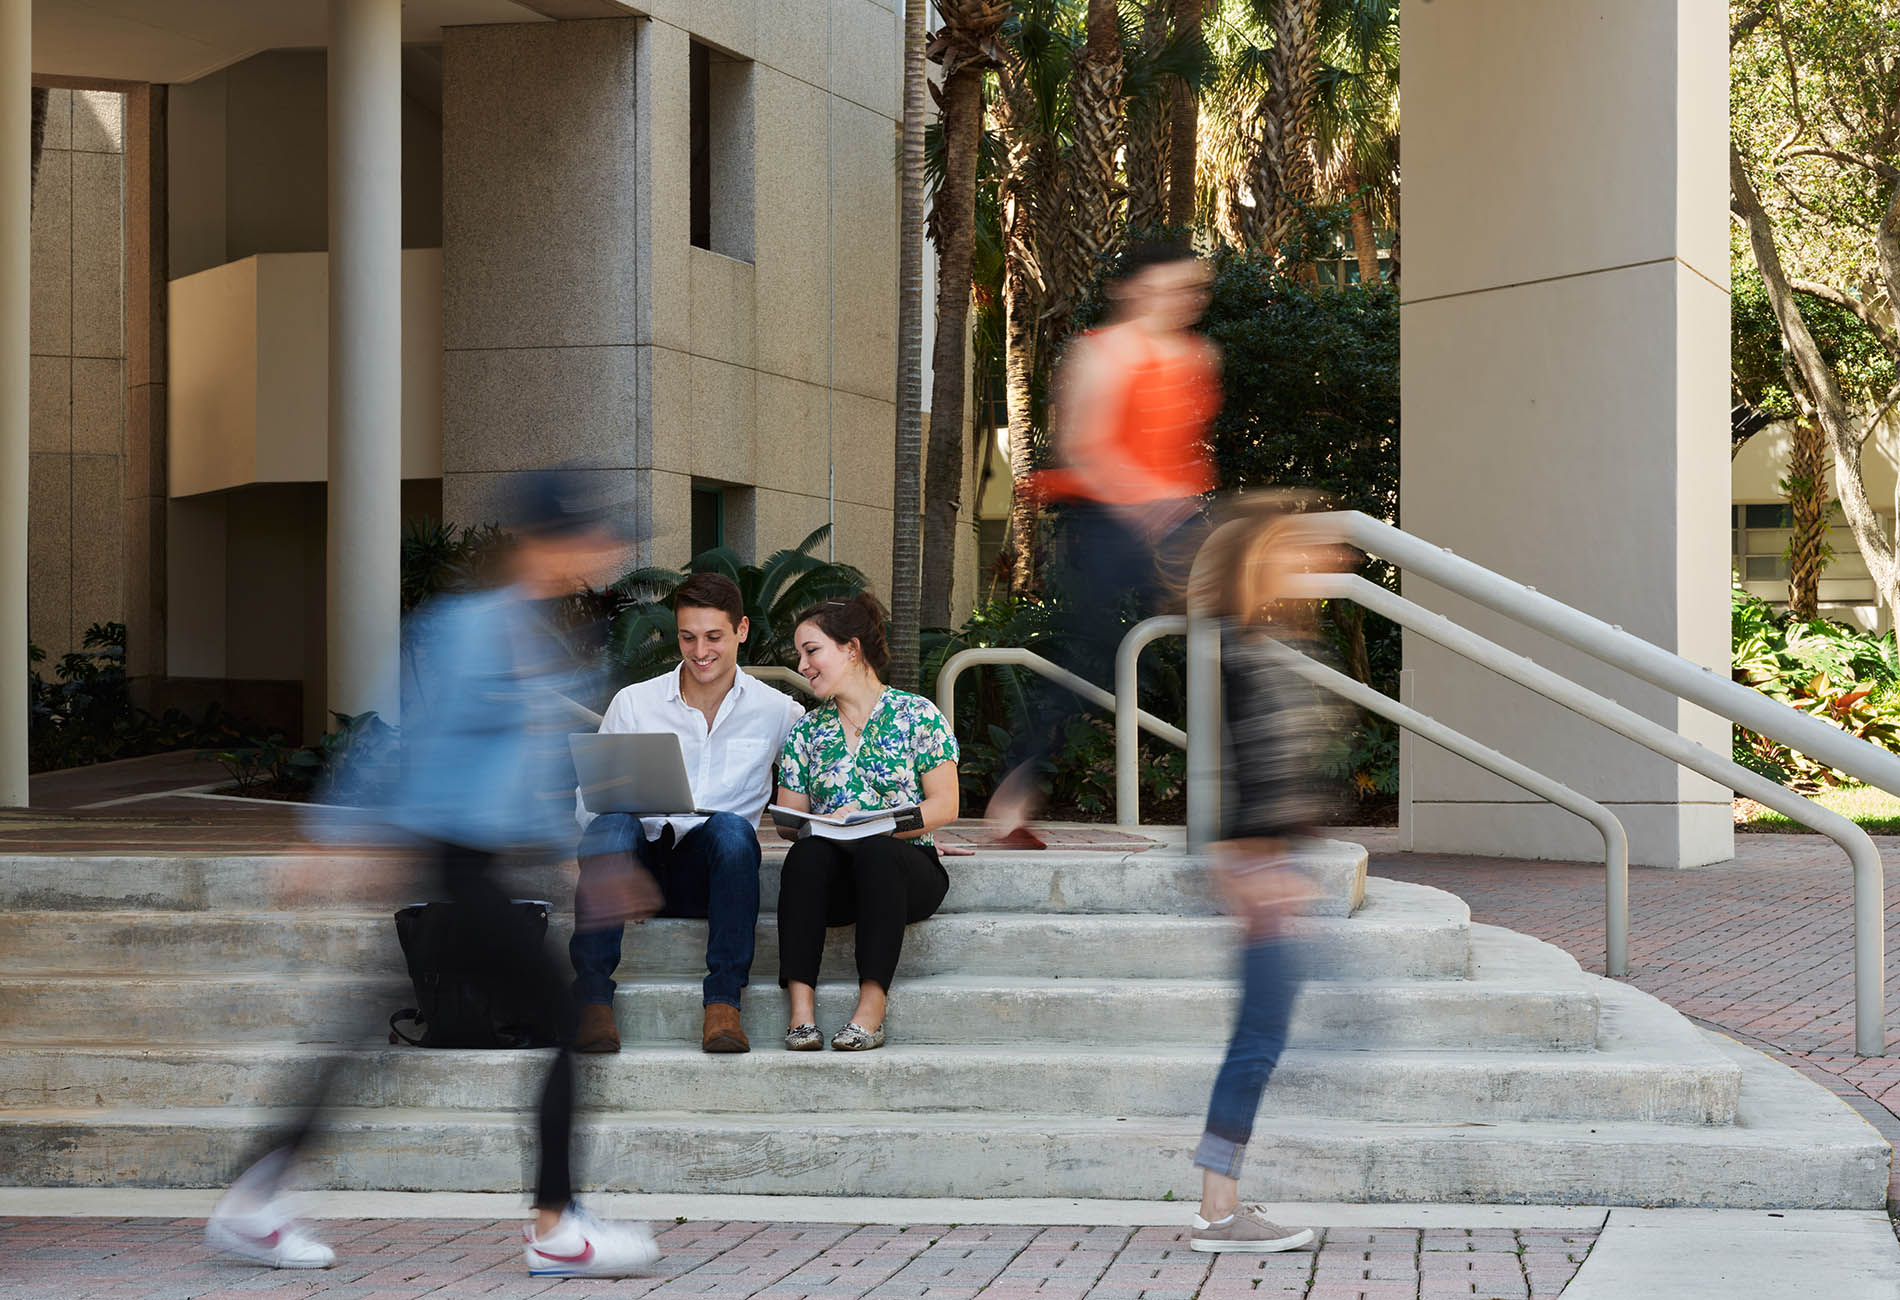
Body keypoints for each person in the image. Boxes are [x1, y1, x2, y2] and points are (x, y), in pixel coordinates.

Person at [203, 469, 661, 1280]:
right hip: (453, 862)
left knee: (362, 1030)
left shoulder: (536, 632)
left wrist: (584, 856)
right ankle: (556, 1227)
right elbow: (395, 736)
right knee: (562, 1020)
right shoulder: (471, 630)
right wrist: (331, 837)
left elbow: (534, 768)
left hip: (481, 863)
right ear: (543, 542)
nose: (599, 554)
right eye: (586, 538)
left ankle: (255, 1199)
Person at [989, 240, 1222, 840]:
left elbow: (1184, 451)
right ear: (1132, 290)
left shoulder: (1197, 355)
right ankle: (1018, 786)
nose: (1183, 299)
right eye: (1168, 287)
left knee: (1232, 629)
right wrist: (1151, 506)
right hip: (1104, 519)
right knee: (1090, 651)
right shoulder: (1103, 355)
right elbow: (1087, 450)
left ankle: (1240, 793)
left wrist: (1178, 510)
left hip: (1172, 519)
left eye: (1192, 288)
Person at [1185, 503, 1347, 1255]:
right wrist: (1248, 864)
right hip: (1260, 871)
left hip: (1271, 867)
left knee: (1262, 1038)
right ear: (1259, 564)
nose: (1304, 567)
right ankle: (1219, 1210)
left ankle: (1220, 1202)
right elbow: (1240, 771)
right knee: (1258, 1042)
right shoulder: (1240, 652)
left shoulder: (1256, 645)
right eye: (1289, 554)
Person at [569, 571, 806, 1055]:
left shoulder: (780, 711)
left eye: (714, 637)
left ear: (741, 630)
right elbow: (587, 803)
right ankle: (592, 1001)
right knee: (611, 822)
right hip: (637, 868)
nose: (700, 651)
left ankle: (723, 1005)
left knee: (734, 831)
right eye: (688, 637)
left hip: (713, 875)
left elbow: (820, 796)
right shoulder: (635, 703)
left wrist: (899, 832)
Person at [771, 593, 960, 1051]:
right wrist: (825, 821)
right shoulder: (807, 730)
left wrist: (877, 823)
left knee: (877, 851)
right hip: (835, 879)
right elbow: (787, 818)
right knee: (807, 853)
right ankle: (801, 1014)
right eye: (799, 655)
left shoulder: (917, 716)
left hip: (905, 871)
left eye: (811, 651)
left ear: (851, 649)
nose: (802, 665)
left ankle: (870, 1011)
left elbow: (945, 805)